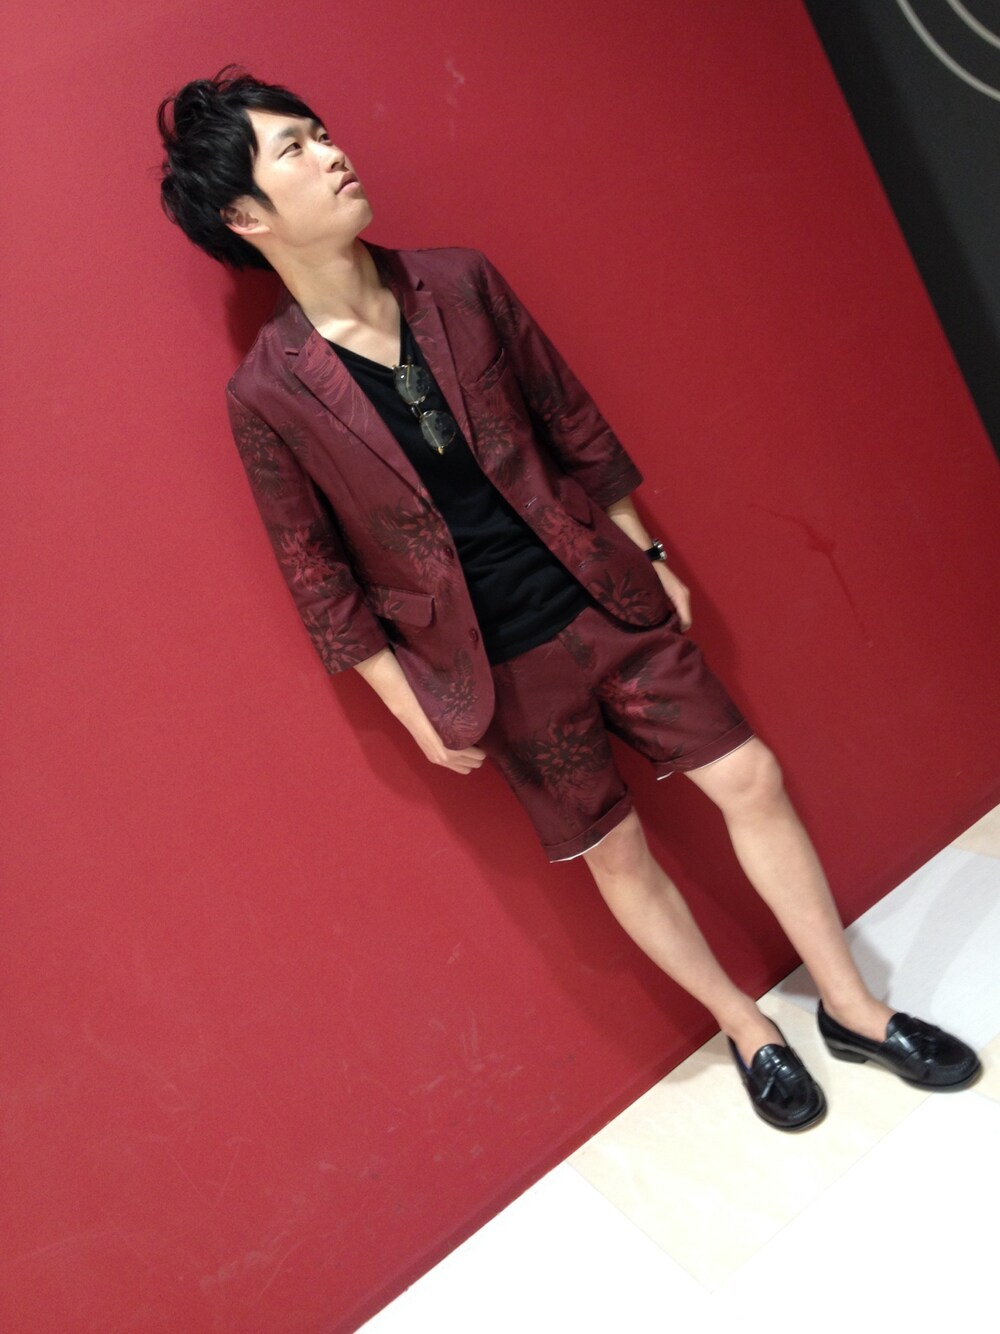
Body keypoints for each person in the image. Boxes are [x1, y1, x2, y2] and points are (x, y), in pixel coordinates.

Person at [156, 64, 981, 1131]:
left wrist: (648, 549)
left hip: (598, 592)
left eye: (321, 131)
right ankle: (746, 1027)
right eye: (295, 149)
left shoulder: (458, 281)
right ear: (245, 215)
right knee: (616, 851)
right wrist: (413, 712)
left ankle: (855, 1009)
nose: (333, 153)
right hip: (489, 667)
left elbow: (569, 417)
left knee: (750, 775)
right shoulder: (267, 391)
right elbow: (315, 573)